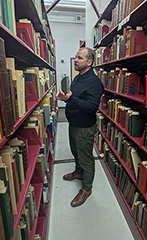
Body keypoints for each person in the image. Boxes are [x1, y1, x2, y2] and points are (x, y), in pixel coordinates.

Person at [56, 47, 104, 207]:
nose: (75, 60)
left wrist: (71, 99)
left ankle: (86, 189)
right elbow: (74, 98)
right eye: (76, 57)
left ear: (89, 62)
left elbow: (92, 107)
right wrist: (65, 98)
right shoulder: (78, 78)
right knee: (76, 152)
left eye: (79, 58)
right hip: (73, 124)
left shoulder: (95, 83)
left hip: (84, 127)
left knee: (86, 158)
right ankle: (79, 172)